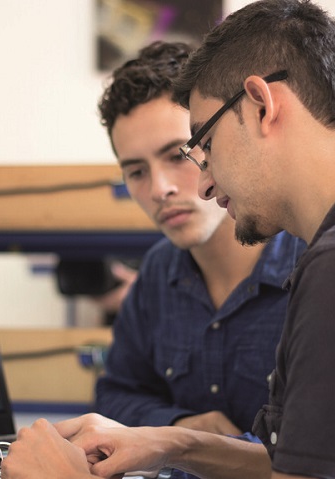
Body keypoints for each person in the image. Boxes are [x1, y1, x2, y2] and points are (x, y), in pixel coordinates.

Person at [1, 1, 335, 478]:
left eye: (202, 145)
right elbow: (299, 464)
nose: (203, 181)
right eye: (138, 171)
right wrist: (178, 441)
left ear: (261, 105)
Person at [93, 40, 305, 444]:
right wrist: (179, 424)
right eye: (136, 171)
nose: (160, 189)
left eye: (178, 155)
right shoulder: (158, 272)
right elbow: (114, 396)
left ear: (215, 139)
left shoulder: (315, 262)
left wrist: (197, 449)